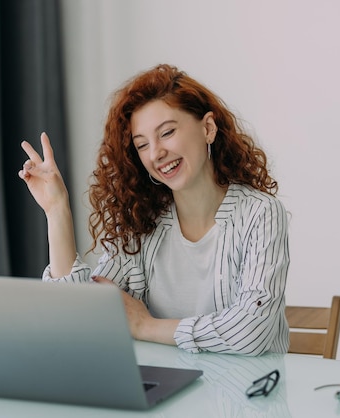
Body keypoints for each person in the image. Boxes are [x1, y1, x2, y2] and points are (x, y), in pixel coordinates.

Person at [18, 64, 290, 355]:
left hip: (248, 396)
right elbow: (78, 318)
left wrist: (145, 326)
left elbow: (251, 332)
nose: (156, 153)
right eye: (142, 145)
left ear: (208, 128)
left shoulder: (260, 213)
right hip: (168, 392)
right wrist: (57, 210)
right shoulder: (142, 222)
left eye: (168, 132)